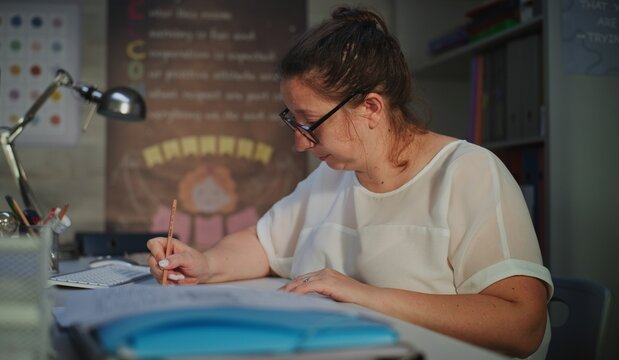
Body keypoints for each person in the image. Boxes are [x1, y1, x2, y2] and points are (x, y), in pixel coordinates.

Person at [147, 6, 552, 359]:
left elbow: (522, 325)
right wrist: (206, 264)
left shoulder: (469, 173)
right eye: (292, 120)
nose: (299, 142)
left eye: (309, 123)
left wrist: (363, 294)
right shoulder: (331, 178)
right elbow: (263, 242)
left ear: (370, 108)